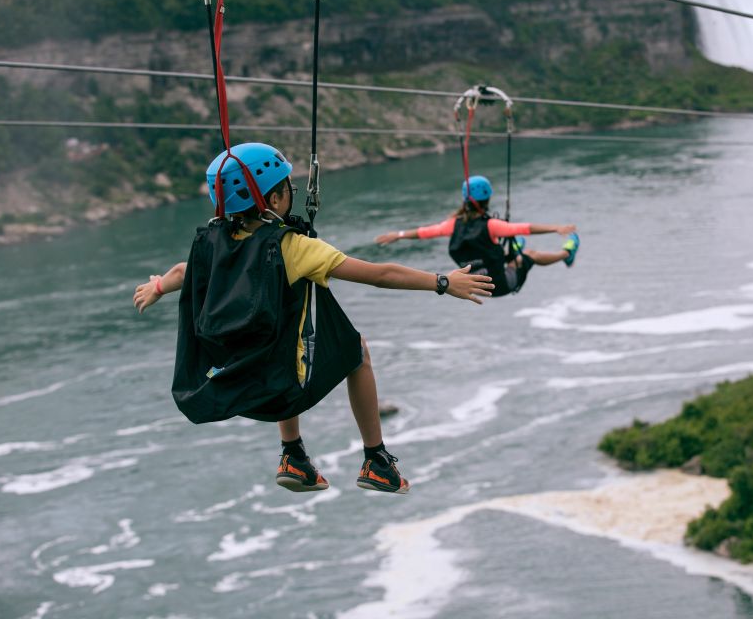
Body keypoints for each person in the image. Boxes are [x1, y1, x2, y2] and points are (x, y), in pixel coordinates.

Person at [134, 142, 493, 495]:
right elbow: (380, 274)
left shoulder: (211, 243)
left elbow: (184, 271)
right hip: (284, 389)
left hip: (235, 382)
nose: (290, 192)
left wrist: (158, 287)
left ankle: (293, 454)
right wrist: (443, 282)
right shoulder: (294, 247)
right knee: (357, 349)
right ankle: (376, 460)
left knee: (278, 338)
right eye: (287, 188)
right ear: (274, 200)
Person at [375, 175, 579, 297]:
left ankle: (514, 252)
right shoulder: (492, 225)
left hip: (477, 286)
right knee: (530, 254)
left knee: (510, 248)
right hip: (500, 285)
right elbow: (525, 227)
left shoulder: (453, 224)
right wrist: (556, 228)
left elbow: (423, 232)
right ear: (487, 199)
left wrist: (398, 234)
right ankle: (567, 253)